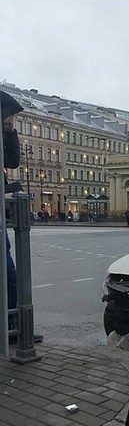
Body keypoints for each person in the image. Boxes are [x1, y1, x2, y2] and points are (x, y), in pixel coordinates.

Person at [1, 90, 43, 344]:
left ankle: (15, 329)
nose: (12, 121)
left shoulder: (5, 134)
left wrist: (9, 132)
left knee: (9, 276)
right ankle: (15, 331)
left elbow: (13, 162)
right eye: (9, 117)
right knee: (8, 276)